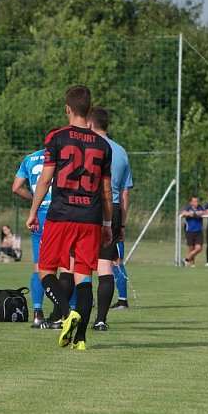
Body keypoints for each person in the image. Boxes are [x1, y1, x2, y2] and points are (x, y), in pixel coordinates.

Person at [26, 85, 112, 351]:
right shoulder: (102, 145)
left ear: (67, 109)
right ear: (89, 109)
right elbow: (106, 190)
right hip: (90, 217)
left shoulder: (57, 138)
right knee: (84, 277)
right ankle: (81, 339)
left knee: (45, 270)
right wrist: (108, 224)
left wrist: (33, 212)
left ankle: (66, 312)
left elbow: (45, 179)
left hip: (61, 214)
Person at [89, 106, 133, 328]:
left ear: (90, 123)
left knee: (79, 263)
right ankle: (102, 319)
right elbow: (125, 192)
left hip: (88, 206)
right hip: (114, 208)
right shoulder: (122, 151)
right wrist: (122, 223)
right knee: (109, 263)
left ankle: (73, 313)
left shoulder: (88, 146)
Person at [12, 144, 53, 327]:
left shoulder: (29, 158)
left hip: (39, 215)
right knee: (69, 265)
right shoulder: (62, 157)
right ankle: (67, 311)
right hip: (59, 214)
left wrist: (35, 198)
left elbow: (16, 187)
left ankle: (37, 312)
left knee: (39, 266)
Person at [180, 195, 206, 267]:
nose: (196, 203)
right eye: (194, 201)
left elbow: (206, 211)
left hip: (199, 231)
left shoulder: (200, 207)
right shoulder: (188, 208)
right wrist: (191, 214)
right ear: (191, 202)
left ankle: (185, 259)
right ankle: (192, 265)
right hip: (190, 231)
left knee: (199, 248)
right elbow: (183, 213)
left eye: (197, 201)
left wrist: (201, 213)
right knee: (191, 249)